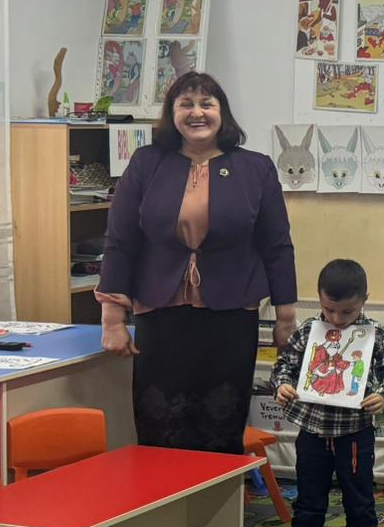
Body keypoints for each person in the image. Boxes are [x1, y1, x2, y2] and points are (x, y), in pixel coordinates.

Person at [98, 73, 297, 452]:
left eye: (207, 104)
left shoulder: (256, 168)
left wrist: (285, 316)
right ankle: (164, 490)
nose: (197, 113)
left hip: (230, 315)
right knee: (160, 420)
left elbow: (277, 246)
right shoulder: (146, 163)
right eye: (186, 104)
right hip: (160, 313)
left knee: (220, 421)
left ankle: (217, 492)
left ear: (223, 112)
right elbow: (121, 242)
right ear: (171, 113)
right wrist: (112, 318)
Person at [271, 260, 384, 527]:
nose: (336, 319)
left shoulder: (374, 334)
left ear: (364, 301)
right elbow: (283, 367)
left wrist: (383, 395)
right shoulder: (308, 331)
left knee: (359, 500)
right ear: (319, 298)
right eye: (329, 309)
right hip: (312, 433)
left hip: (354, 434)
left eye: (347, 312)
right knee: (309, 502)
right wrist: (282, 385)